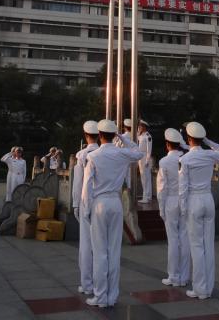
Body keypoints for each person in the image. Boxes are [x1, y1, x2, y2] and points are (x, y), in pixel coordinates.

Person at [81, 118, 143, 308]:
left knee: (100, 252)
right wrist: (123, 138)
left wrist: (86, 210)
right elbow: (139, 152)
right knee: (114, 252)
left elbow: (86, 188)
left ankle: (100, 296)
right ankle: (112, 296)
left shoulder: (93, 156)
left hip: (99, 203)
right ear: (113, 135)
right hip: (115, 202)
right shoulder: (121, 153)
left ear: (99, 135)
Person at [179, 121, 219, 300]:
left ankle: (200, 289)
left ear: (188, 138)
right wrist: (207, 140)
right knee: (208, 245)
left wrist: (183, 209)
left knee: (197, 246)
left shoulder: (185, 159)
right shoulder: (209, 155)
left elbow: (183, 188)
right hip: (208, 199)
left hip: (194, 200)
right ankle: (208, 287)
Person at [157, 127, 190, 288]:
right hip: (184, 199)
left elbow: (161, 188)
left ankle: (173, 275)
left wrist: (161, 208)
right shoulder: (185, 159)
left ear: (167, 144)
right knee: (184, 238)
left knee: (173, 239)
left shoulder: (164, 162)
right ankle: (184, 276)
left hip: (170, 200)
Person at [72, 120, 99, 296]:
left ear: (86, 135)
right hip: (102, 201)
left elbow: (78, 183)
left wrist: (75, 204)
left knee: (86, 244)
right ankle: (100, 284)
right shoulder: (103, 153)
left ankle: (87, 283)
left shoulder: (82, 155)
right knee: (101, 246)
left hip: (85, 201)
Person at [137, 120, 153, 203]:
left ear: (144, 126)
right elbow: (136, 138)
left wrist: (147, 160)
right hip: (140, 157)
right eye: (139, 126)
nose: (139, 127)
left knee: (145, 178)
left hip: (145, 157)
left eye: (141, 126)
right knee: (144, 177)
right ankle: (148, 195)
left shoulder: (148, 136)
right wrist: (138, 131)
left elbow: (149, 150)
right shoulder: (141, 135)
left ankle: (146, 197)